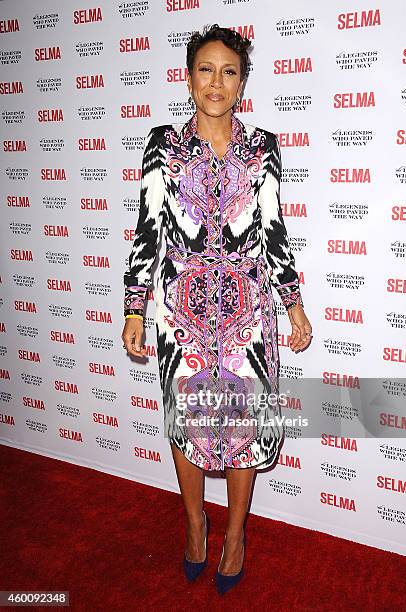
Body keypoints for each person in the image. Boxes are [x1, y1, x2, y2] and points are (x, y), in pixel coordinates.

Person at [121, 24, 312, 594]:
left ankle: (234, 535)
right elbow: (147, 231)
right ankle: (194, 524)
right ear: (188, 77)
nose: (217, 81)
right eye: (206, 69)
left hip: (249, 315)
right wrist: (136, 308)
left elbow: (272, 229)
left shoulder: (263, 148)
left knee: (244, 428)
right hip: (180, 315)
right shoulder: (162, 144)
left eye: (229, 71)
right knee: (187, 424)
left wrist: (293, 304)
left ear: (242, 84)